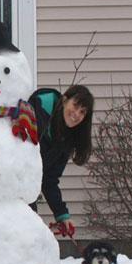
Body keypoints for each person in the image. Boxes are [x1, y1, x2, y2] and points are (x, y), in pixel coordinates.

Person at [28, 84, 94, 238]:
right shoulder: (38, 109)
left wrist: (61, 215)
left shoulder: (67, 140)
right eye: (75, 106)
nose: (76, 114)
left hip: (26, 191)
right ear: (64, 100)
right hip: (3, 180)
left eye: (82, 112)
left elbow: (49, 179)